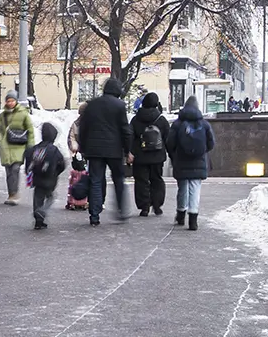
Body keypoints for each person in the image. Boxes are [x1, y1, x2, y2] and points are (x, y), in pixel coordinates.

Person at [75, 77, 133, 226]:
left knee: (95, 181)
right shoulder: (119, 105)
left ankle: (94, 215)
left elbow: (84, 128)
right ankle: (121, 210)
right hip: (114, 150)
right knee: (118, 179)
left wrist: (83, 147)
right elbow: (125, 130)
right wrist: (128, 151)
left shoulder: (92, 105)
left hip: (94, 150)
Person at [165, 94, 217, 231]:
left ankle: (181, 214)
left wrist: (175, 155)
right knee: (195, 188)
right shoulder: (204, 124)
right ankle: (193, 220)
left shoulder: (177, 124)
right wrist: (201, 151)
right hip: (198, 161)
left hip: (181, 161)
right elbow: (211, 143)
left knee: (183, 187)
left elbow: (170, 143)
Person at [129, 91, 171, 218]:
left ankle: (144, 207)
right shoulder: (161, 119)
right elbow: (167, 138)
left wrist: (129, 151)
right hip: (157, 156)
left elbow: (130, 136)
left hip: (140, 156)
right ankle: (157, 206)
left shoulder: (136, 119)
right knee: (157, 179)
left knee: (141, 181)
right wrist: (170, 153)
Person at [0, 89, 36, 206]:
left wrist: (30, 146)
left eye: (12, 100)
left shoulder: (23, 114)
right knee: (8, 172)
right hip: (6, 147)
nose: (10, 103)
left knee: (15, 169)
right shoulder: (3, 115)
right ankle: (11, 193)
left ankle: (14, 194)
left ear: (16, 101)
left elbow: (30, 130)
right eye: (8, 101)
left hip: (19, 146)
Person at [24, 121, 68, 230]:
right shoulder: (53, 150)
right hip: (49, 180)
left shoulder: (33, 149)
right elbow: (62, 164)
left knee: (37, 198)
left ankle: (38, 221)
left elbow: (27, 165)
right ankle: (42, 212)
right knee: (50, 197)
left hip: (36, 179)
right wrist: (55, 173)